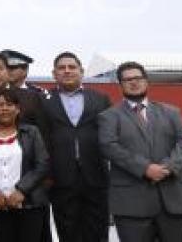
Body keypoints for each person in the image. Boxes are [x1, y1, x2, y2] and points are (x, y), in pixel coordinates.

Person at [98, 61, 182, 242]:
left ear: (146, 81)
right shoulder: (108, 117)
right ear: (120, 84)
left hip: (176, 200)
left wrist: (168, 168)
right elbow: (109, 147)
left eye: (137, 78)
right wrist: (145, 168)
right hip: (131, 205)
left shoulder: (171, 112)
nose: (133, 82)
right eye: (127, 79)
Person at [42, 51, 111, 242]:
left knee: (98, 231)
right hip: (59, 178)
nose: (67, 71)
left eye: (72, 67)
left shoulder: (100, 99)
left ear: (81, 71)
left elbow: (110, 136)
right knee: (67, 231)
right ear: (54, 73)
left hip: (96, 175)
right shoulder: (43, 101)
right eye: (61, 68)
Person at [0, 89, 50, 242]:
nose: (4, 108)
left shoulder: (31, 132)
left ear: (17, 109)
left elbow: (43, 164)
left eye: (9, 105)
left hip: (29, 204)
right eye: (0, 105)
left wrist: (21, 191)